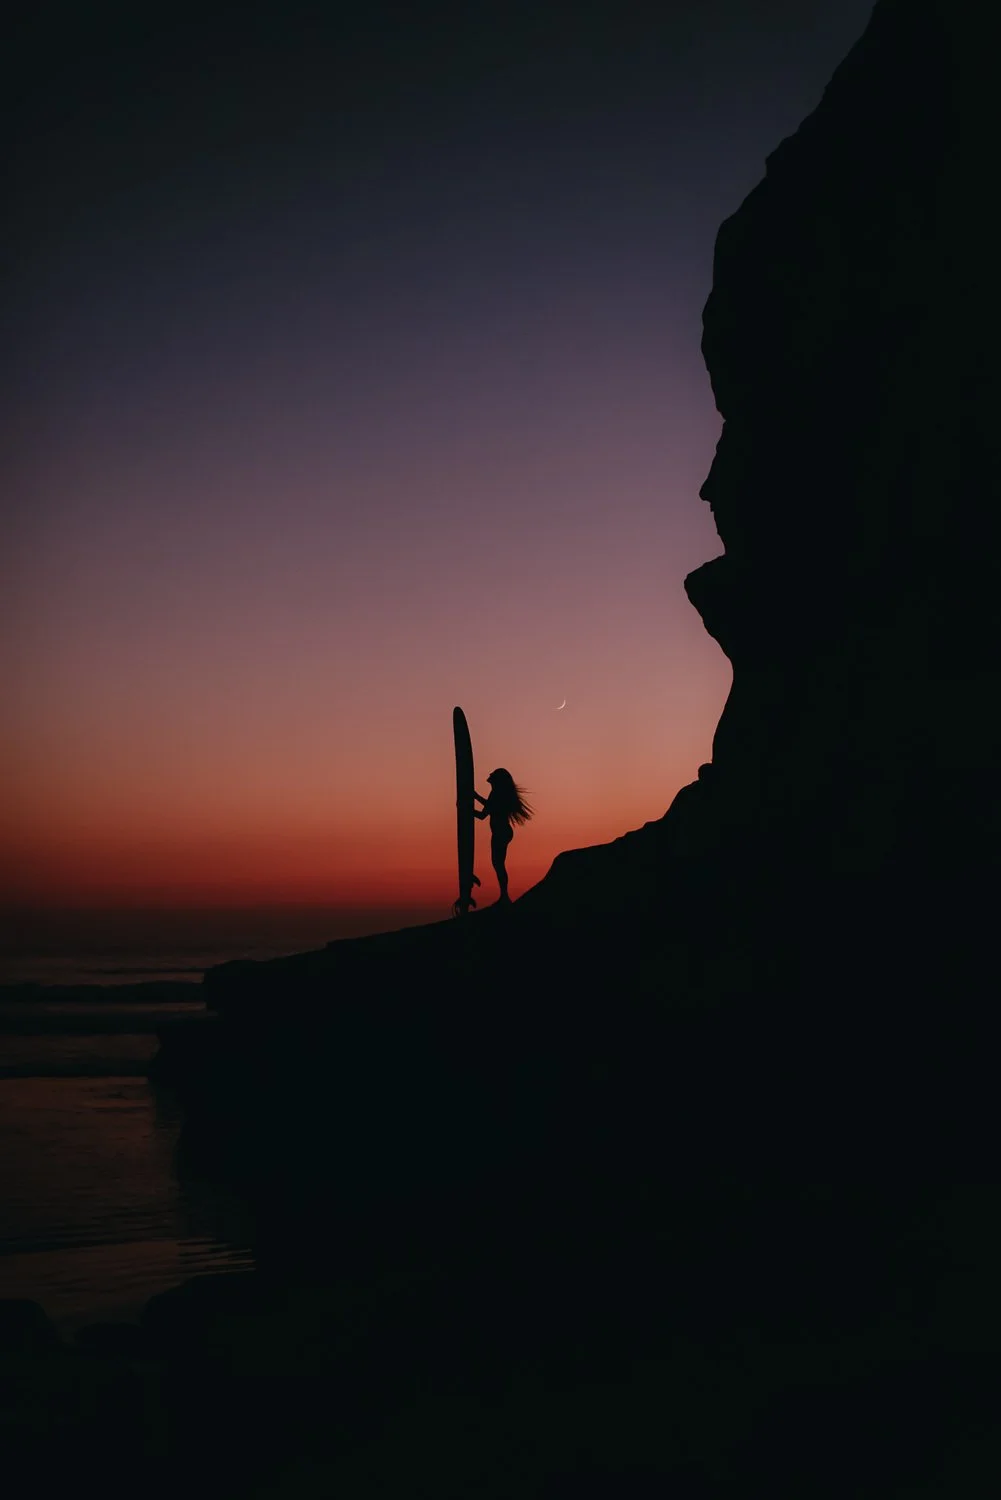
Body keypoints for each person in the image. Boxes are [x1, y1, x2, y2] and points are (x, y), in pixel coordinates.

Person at [473, 768, 533, 903]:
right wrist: (471, 805)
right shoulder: (494, 793)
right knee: (498, 864)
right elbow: (484, 814)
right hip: (502, 832)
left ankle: (504, 896)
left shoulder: (497, 794)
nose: (489, 775)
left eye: (492, 774)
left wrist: (474, 799)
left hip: (501, 832)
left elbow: (489, 810)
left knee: (498, 864)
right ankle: (504, 895)